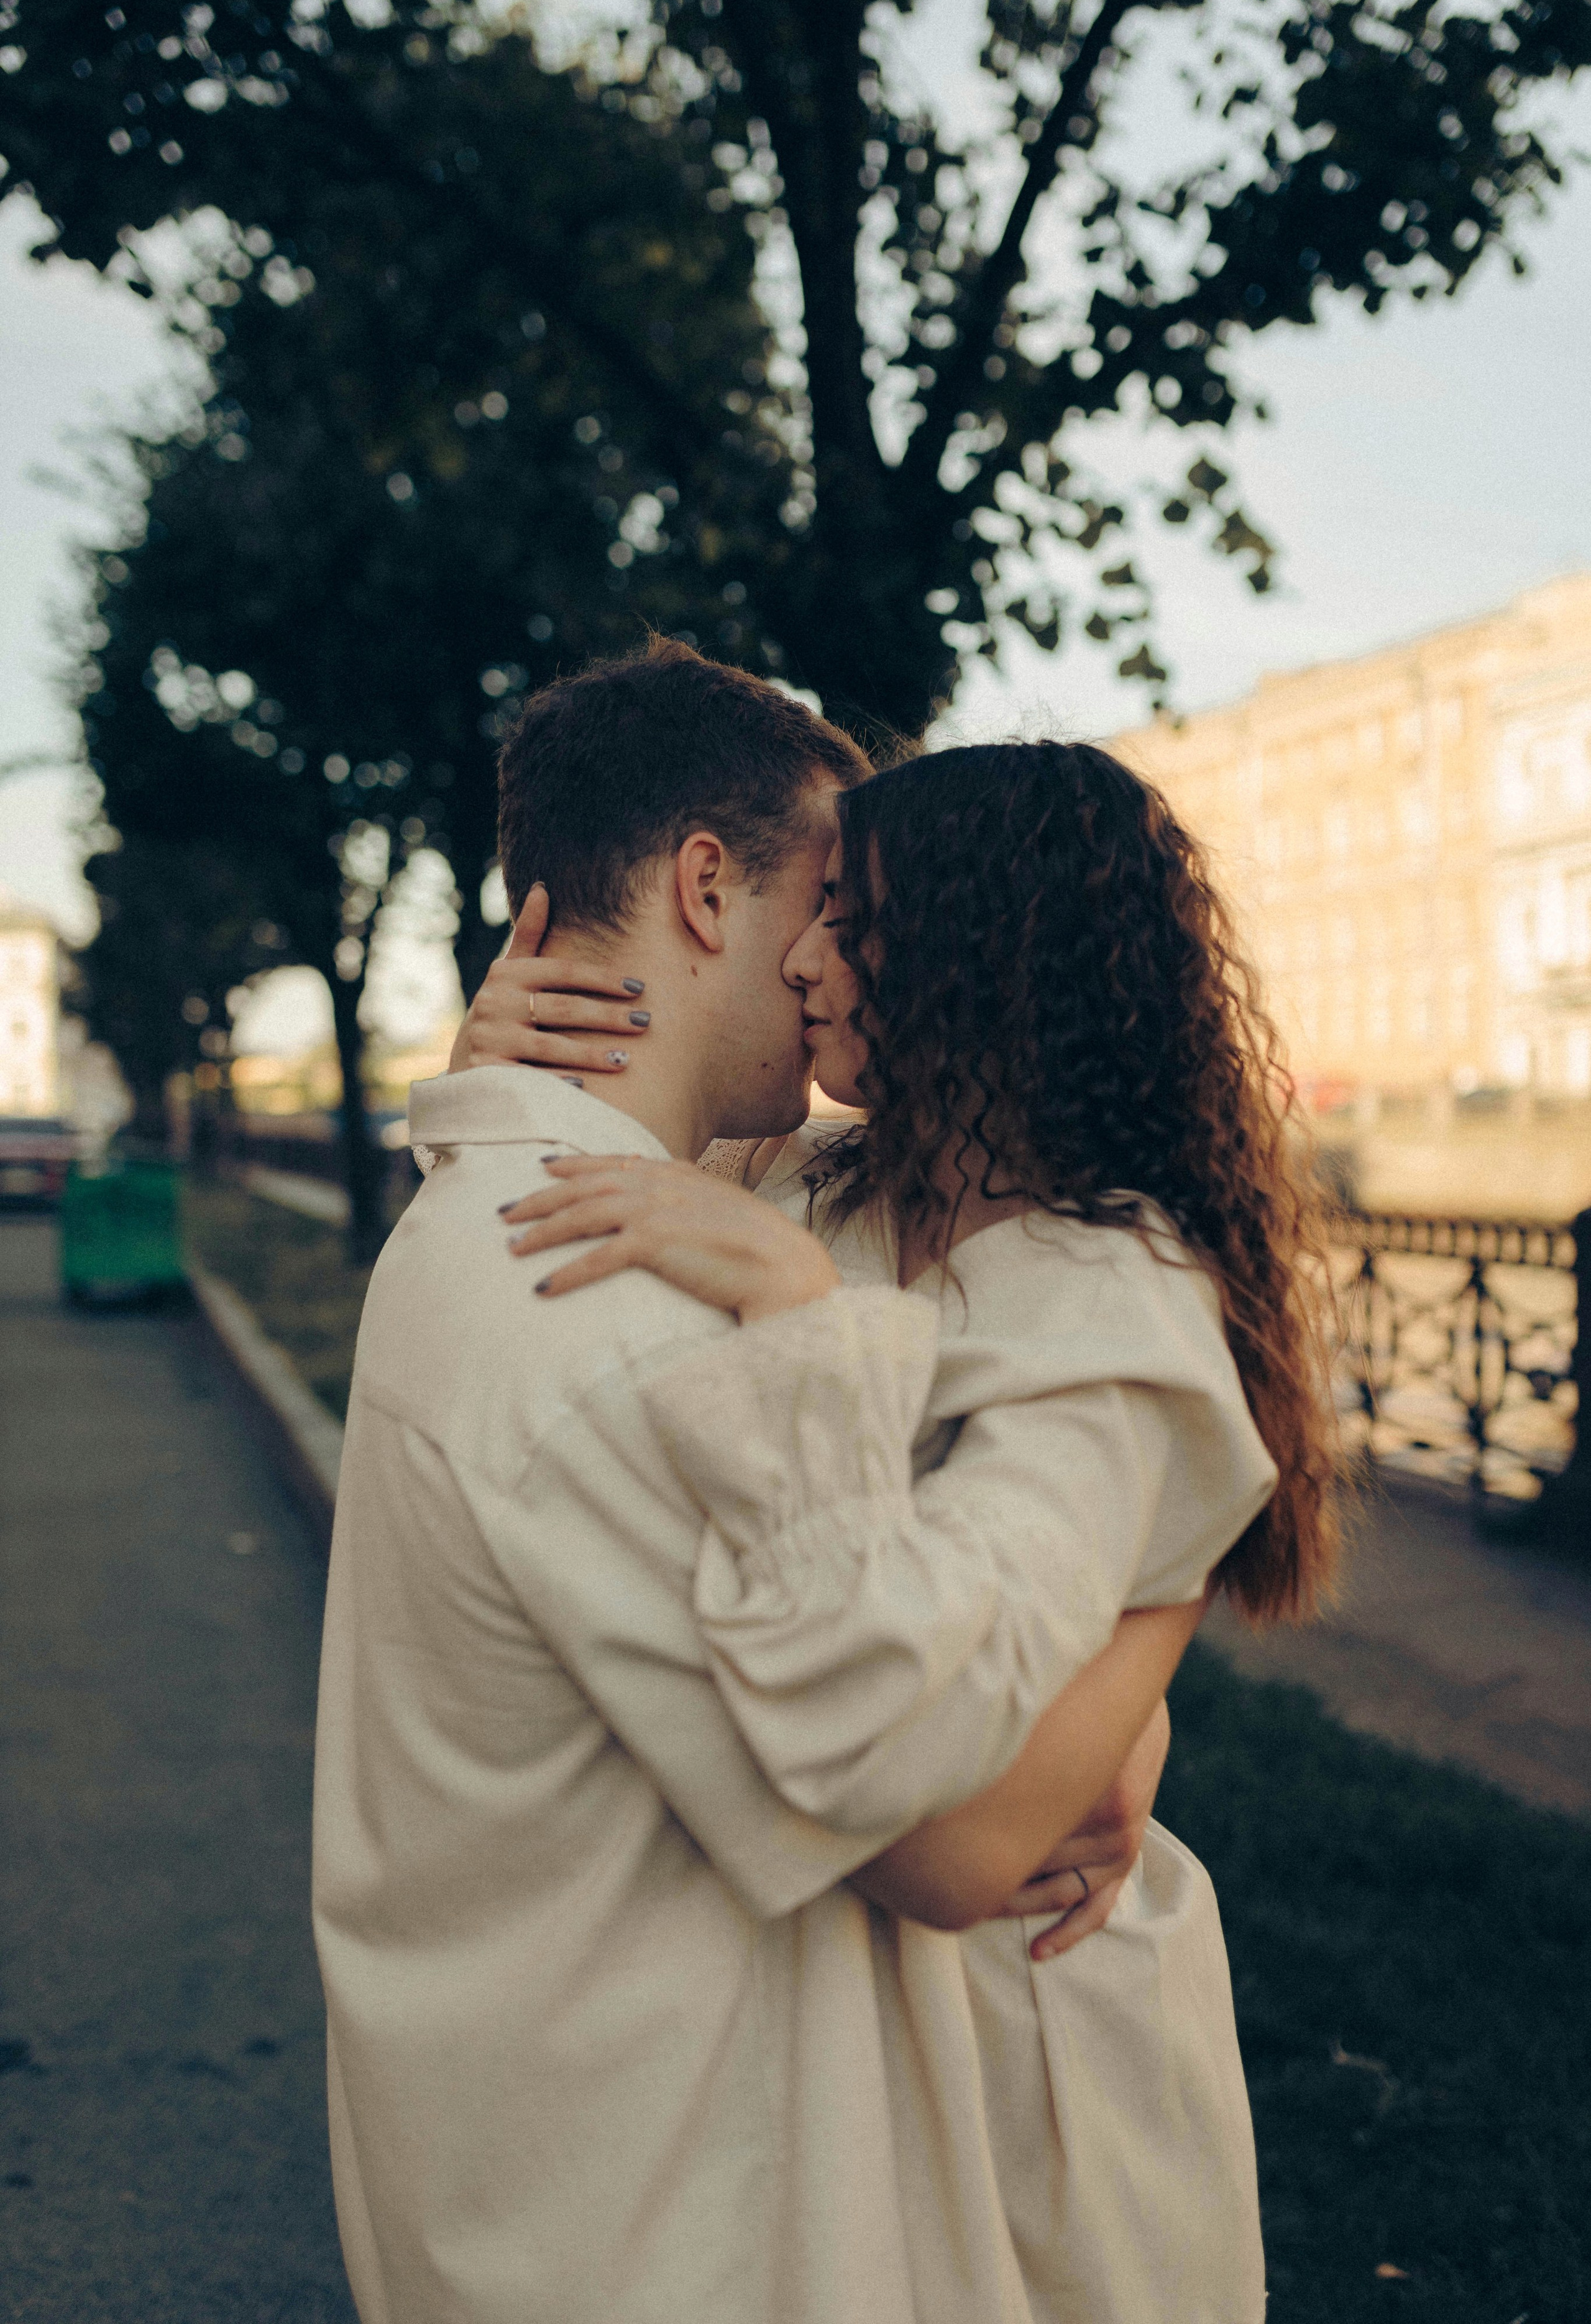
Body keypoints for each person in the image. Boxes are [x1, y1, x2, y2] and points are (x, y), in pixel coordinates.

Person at [313, 643, 1212, 2324]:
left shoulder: (633, 1228)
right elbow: (944, 1831)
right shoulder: (645, 1301)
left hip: (715, 2140)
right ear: (707, 889)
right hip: (678, 2188)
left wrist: (1143, 1616)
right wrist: (1152, 1620)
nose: (813, 963)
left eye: (853, 924)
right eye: (816, 899)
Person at [463, 732, 1342, 2324]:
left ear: (984, 957)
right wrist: (498, 1077)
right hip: (815, 2021)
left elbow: (958, 1852)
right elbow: (558, 1234)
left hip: (1034, 2041)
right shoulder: (815, 1186)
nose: (801, 957)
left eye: (850, 923)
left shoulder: (1118, 1302)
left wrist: (1119, 1689)